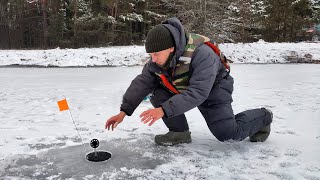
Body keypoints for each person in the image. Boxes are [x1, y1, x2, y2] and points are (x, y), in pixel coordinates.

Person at [105, 17, 273, 146]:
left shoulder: (202, 55)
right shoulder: (158, 61)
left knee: (227, 134)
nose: (153, 59)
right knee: (158, 90)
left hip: (214, 88)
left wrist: (163, 110)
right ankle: (180, 133)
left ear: (171, 48)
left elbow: (199, 92)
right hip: (184, 87)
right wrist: (123, 112)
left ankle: (264, 117)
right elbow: (142, 83)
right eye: (150, 55)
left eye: (156, 54)